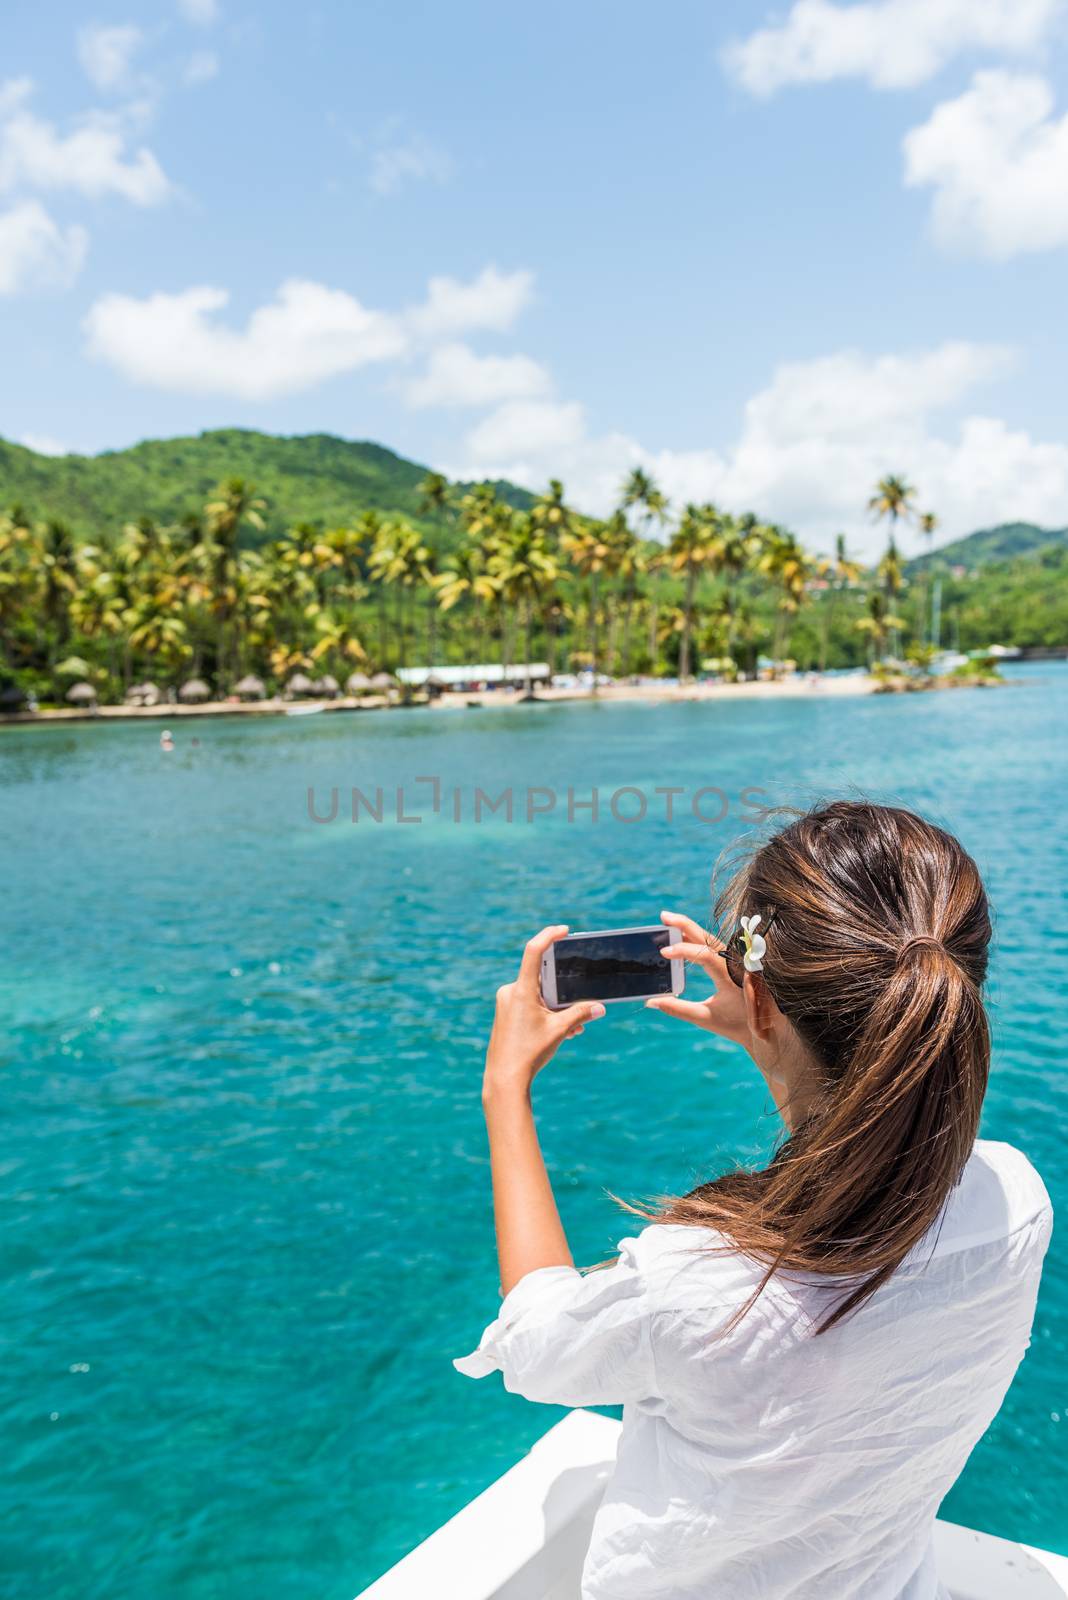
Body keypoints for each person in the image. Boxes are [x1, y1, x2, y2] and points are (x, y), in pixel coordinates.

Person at [456, 801, 1052, 1600]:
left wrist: (505, 1093)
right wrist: (770, 1028)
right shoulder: (1017, 1200)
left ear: (761, 995)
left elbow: (533, 1343)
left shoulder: (705, 1291)